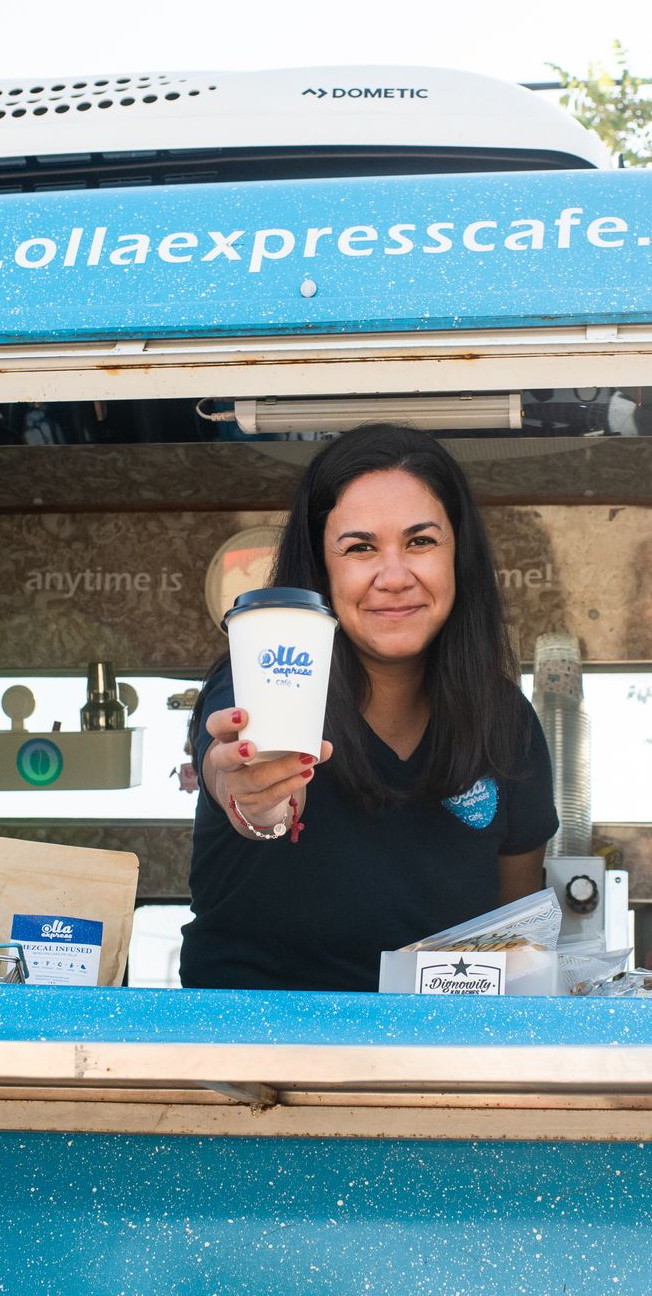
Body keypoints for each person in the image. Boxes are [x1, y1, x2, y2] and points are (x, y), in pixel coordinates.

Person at [182, 424, 559, 991]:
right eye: (360, 548)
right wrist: (257, 801)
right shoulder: (265, 677)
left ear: (460, 554)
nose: (394, 576)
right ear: (321, 567)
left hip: (435, 1060)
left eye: (421, 542)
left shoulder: (505, 722)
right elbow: (240, 778)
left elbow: (519, 946)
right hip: (257, 1056)